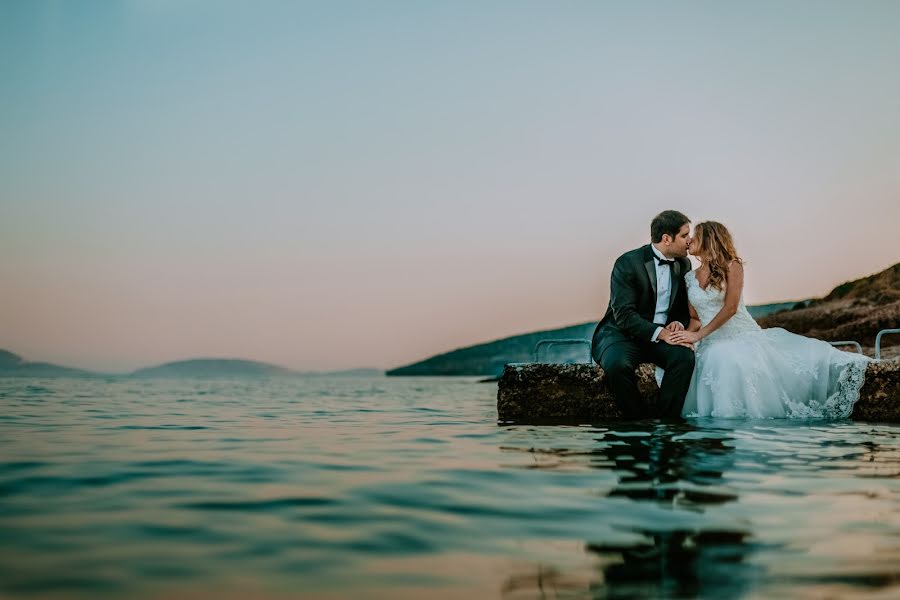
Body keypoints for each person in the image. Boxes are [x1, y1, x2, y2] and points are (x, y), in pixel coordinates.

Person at [670, 222, 871, 418]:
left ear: (709, 239)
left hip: (739, 335)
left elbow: (730, 308)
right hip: (710, 340)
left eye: (695, 235)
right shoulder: (690, 277)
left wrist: (698, 335)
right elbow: (696, 317)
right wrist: (686, 335)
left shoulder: (732, 266)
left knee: (727, 359)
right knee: (711, 356)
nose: (690, 240)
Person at [591, 210, 697, 419]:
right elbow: (623, 314)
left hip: (659, 338)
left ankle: (666, 424)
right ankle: (637, 426)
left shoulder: (683, 264)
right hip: (621, 335)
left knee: (684, 358)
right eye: (685, 235)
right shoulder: (627, 263)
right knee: (618, 366)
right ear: (667, 238)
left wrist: (677, 322)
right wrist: (661, 333)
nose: (690, 240)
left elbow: (681, 307)